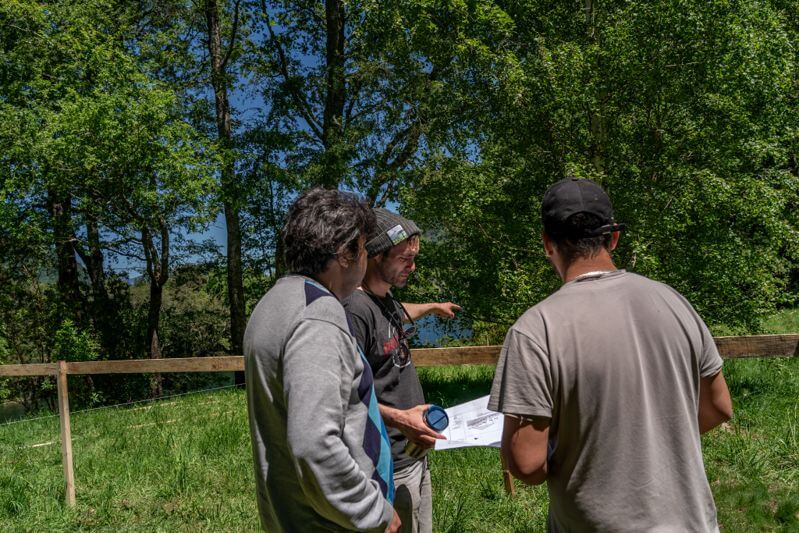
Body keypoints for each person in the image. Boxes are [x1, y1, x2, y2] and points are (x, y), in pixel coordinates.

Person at [488, 177, 733, 532]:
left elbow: (526, 464)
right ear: (613, 237)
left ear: (547, 243)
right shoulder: (674, 302)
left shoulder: (534, 330)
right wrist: (656, 444)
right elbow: (719, 406)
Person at [244, 188, 401, 532]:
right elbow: (314, 443)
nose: (365, 259)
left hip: (291, 514)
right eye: (363, 248)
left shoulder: (274, 302)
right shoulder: (318, 315)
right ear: (345, 254)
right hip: (334, 523)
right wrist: (373, 511)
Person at [343, 208, 460, 533]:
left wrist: (432, 307)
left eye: (414, 258)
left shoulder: (384, 300)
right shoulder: (355, 310)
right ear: (376, 255)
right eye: (405, 258)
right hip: (388, 461)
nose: (413, 266)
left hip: (413, 451)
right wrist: (400, 420)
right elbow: (345, 395)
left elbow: (398, 311)